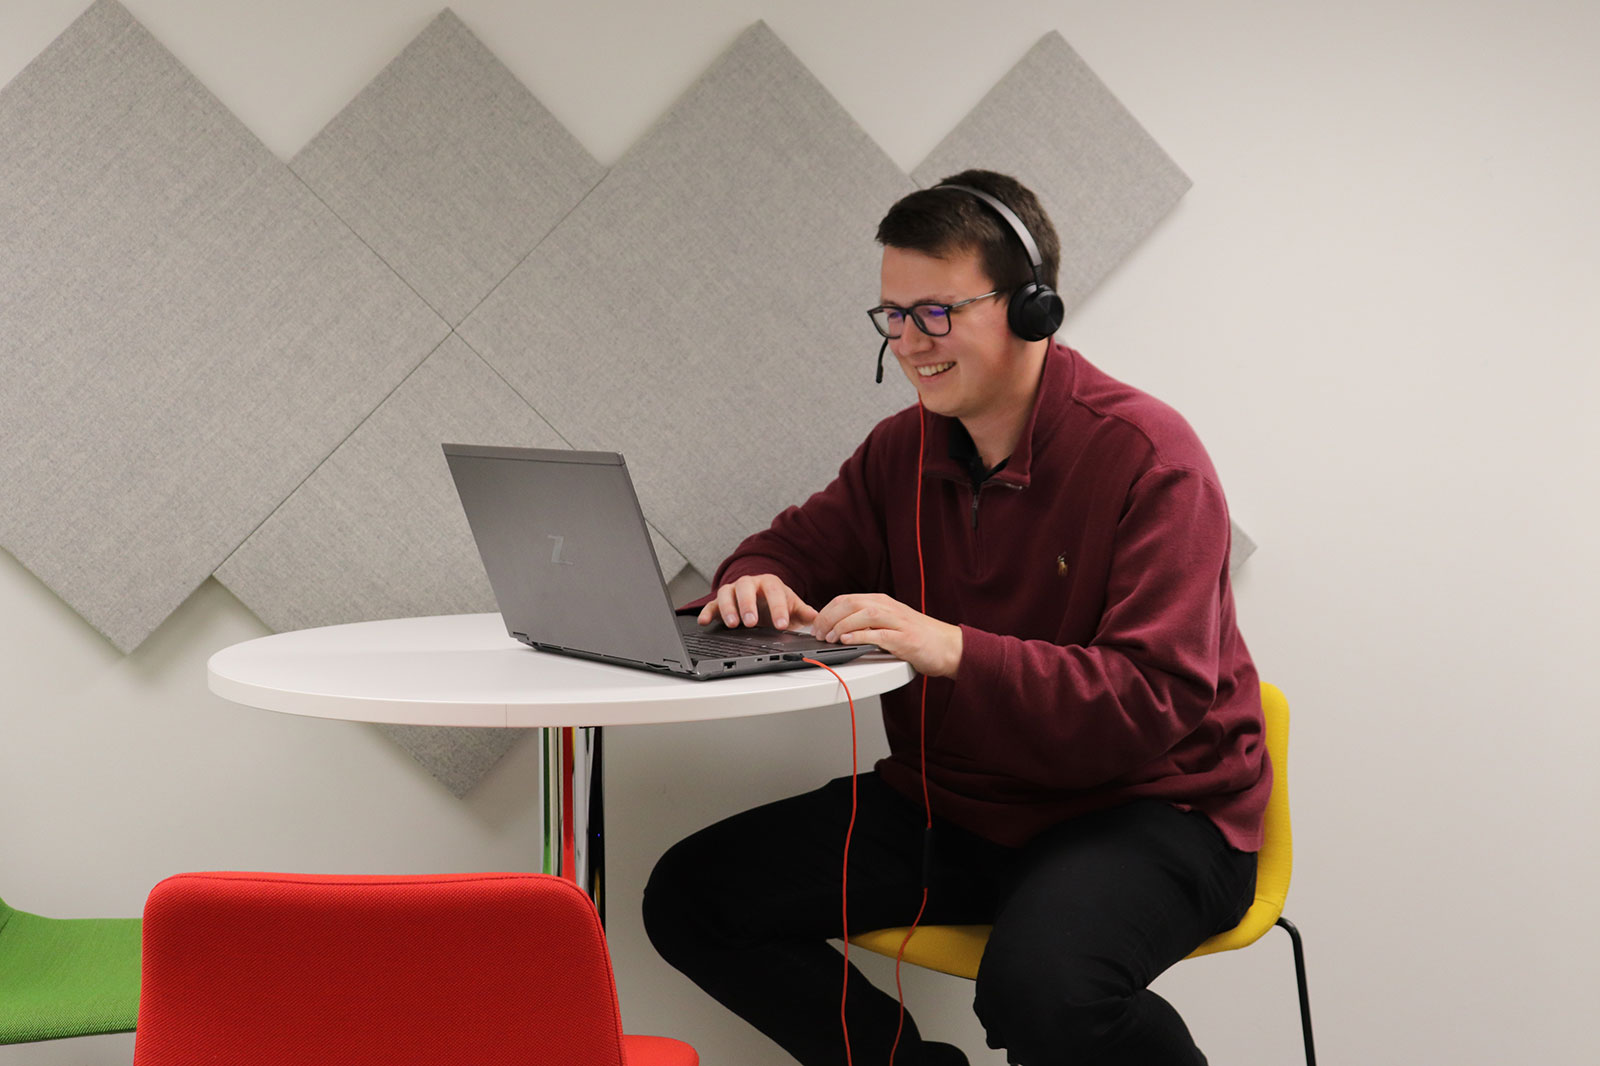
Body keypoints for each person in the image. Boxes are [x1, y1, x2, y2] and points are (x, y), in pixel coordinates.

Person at [642, 170, 1270, 1066]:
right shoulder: (901, 451)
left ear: (1032, 309)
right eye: (893, 314)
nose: (908, 342)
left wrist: (957, 650)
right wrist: (755, 581)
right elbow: (790, 548)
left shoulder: (1150, 459)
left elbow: (1152, 697)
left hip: (1148, 811)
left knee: (1043, 992)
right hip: (956, 807)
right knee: (694, 898)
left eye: (936, 313)